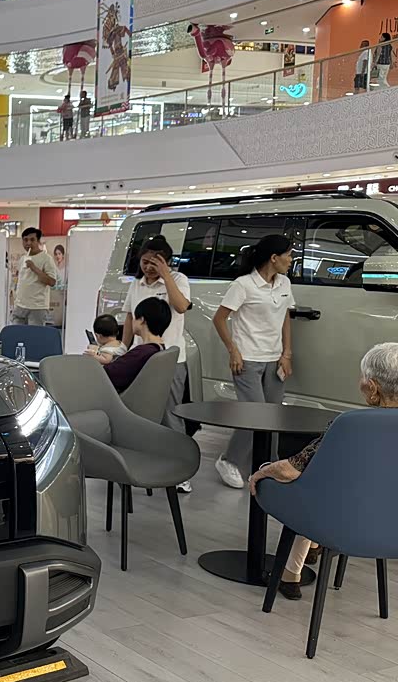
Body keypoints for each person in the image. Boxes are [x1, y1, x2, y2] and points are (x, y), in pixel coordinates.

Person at [249, 342, 398, 599]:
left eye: (363, 377)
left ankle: (294, 570)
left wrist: (260, 473)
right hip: (388, 523)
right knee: (325, 491)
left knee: (313, 491)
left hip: (337, 519)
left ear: (373, 388)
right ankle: (306, 554)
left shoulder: (350, 425)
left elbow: (290, 471)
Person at [212, 233, 296, 488]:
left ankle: (269, 465)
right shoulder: (243, 285)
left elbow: (285, 317)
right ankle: (228, 460)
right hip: (247, 359)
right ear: (274, 258)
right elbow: (219, 319)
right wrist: (233, 351)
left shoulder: (284, 283)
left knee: (273, 415)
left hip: (274, 358)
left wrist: (287, 353)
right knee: (254, 415)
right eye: (289, 255)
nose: (291, 260)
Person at [123, 235, 193, 453]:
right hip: (141, 356)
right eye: (145, 262)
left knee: (171, 411)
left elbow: (181, 306)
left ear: (167, 262)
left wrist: (166, 275)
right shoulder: (137, 284)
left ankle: (178, 458)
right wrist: (123, 348)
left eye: (155, 263)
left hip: (170, 358)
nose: (148, 268)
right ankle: (148, 453)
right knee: (142, 408)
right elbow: (129, 317)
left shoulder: (178, 279)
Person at [101, 298, 171, 394]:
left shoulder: (142, 352)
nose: (132, 321)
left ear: (142, 320)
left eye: (134, 318)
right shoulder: (159, 348)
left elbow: (107, 374)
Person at [12, 227, 59, 326]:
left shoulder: (46, 258)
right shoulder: (23, 258)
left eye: (32, 240)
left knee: (34, 335)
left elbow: (52, 282)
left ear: (38, 241)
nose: (28, 243)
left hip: (37, 307)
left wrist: (34, 268)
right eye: (25, 240)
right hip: (20, 305)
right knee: (17, 333)